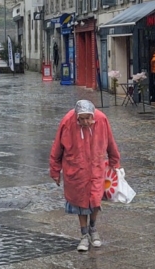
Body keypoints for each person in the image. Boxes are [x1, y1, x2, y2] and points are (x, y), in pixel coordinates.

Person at [49, 100, 121, 252]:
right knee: (80, 203)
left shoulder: (101, 119)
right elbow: (57, 148)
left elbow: (110, 142)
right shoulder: (67, 121)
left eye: (89, 118)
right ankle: (83, 235)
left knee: (95, 200)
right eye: (82, 119)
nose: (86, 122)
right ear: (77, 117)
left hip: (96, 167)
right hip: (76, 168)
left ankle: (93, 228)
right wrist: (55, 171)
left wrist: (115, 162)